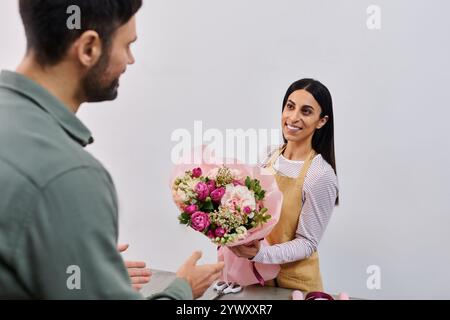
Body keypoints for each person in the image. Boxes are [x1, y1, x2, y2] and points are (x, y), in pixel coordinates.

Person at [0, 0, 223, 299]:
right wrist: (181, 289)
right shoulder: (68, 176)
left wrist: (87, 270)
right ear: (89, 48)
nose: (130, 60)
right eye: (127, 45)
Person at [229, 79, 339, 293]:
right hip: (256, 278)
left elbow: (307, 243)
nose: (293, 117)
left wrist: (258, 254)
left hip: (294, 287)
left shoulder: (320, 175)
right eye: (290, 106)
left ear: (321, 121)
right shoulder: (269, 156)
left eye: (306, 111)